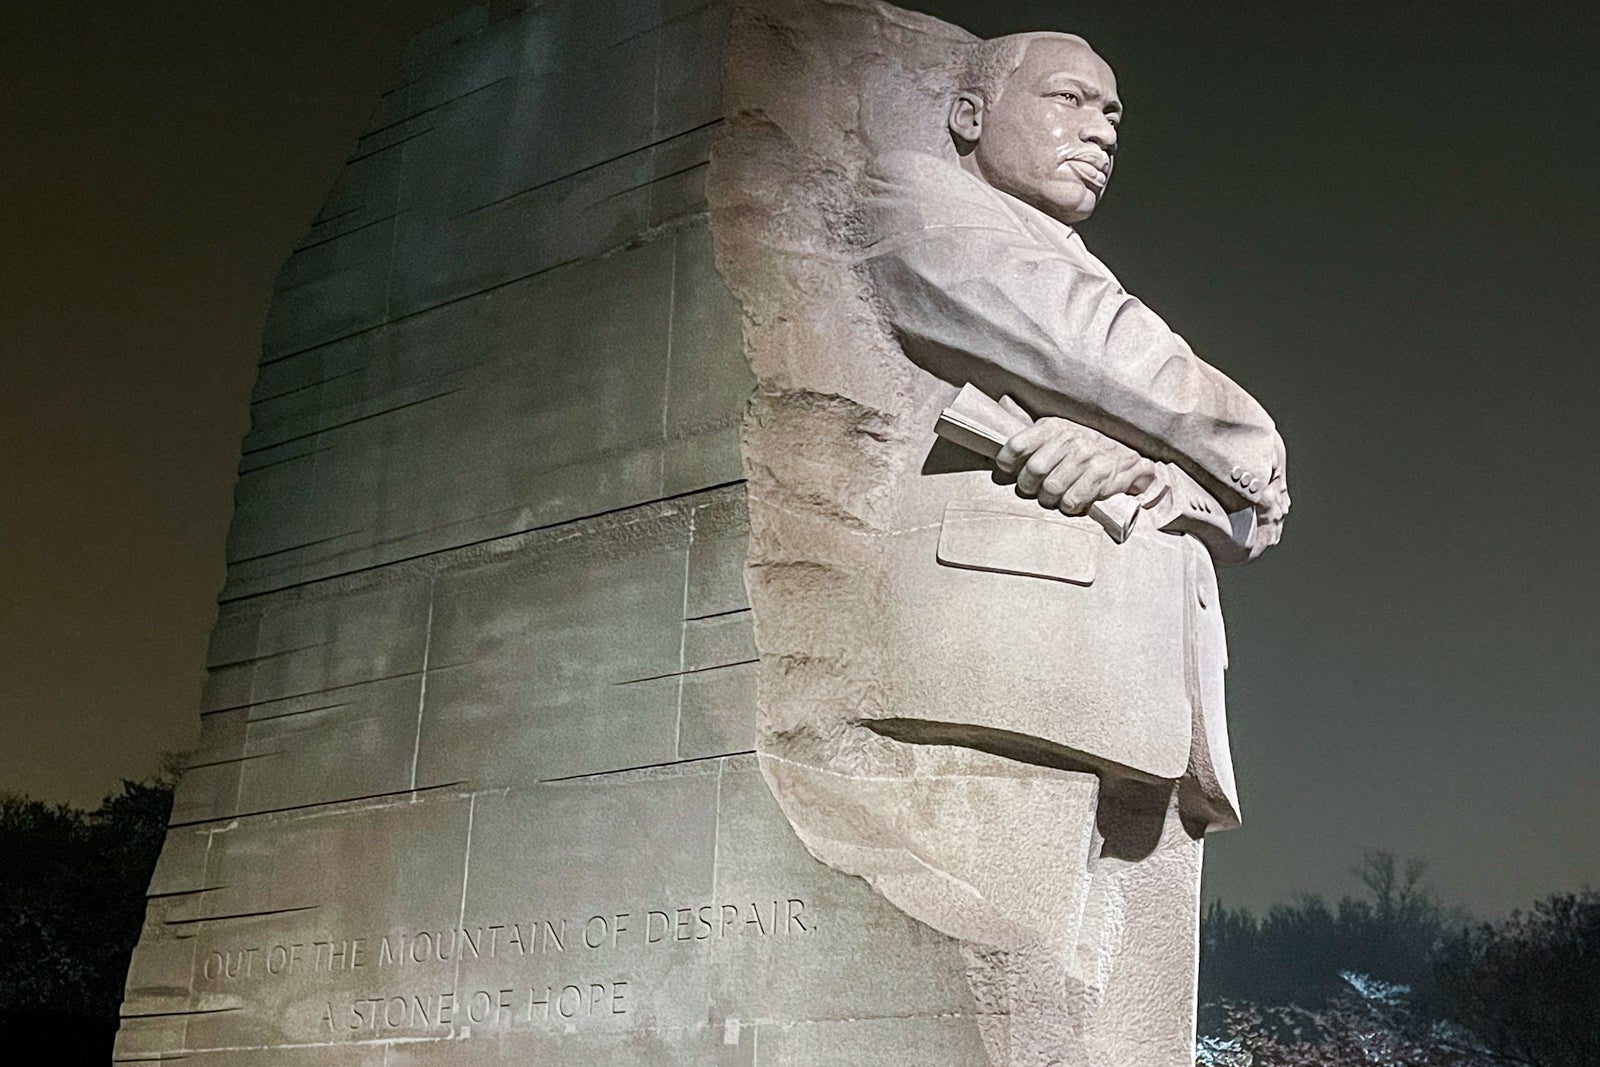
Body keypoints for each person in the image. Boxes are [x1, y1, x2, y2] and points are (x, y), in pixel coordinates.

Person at [759, 30, 1290, 1064]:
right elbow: (1102, 351)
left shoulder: (1073, 257)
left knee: (1122, 1026)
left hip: (1148, 691)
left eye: (1113, 114)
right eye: (1069, 99)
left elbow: (1249, 509)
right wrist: (1245, 441)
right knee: (1010, 1009)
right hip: (1010, 663)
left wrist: (1158, 467)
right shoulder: (915, 196)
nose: (1099, 129)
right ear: (967, 116)